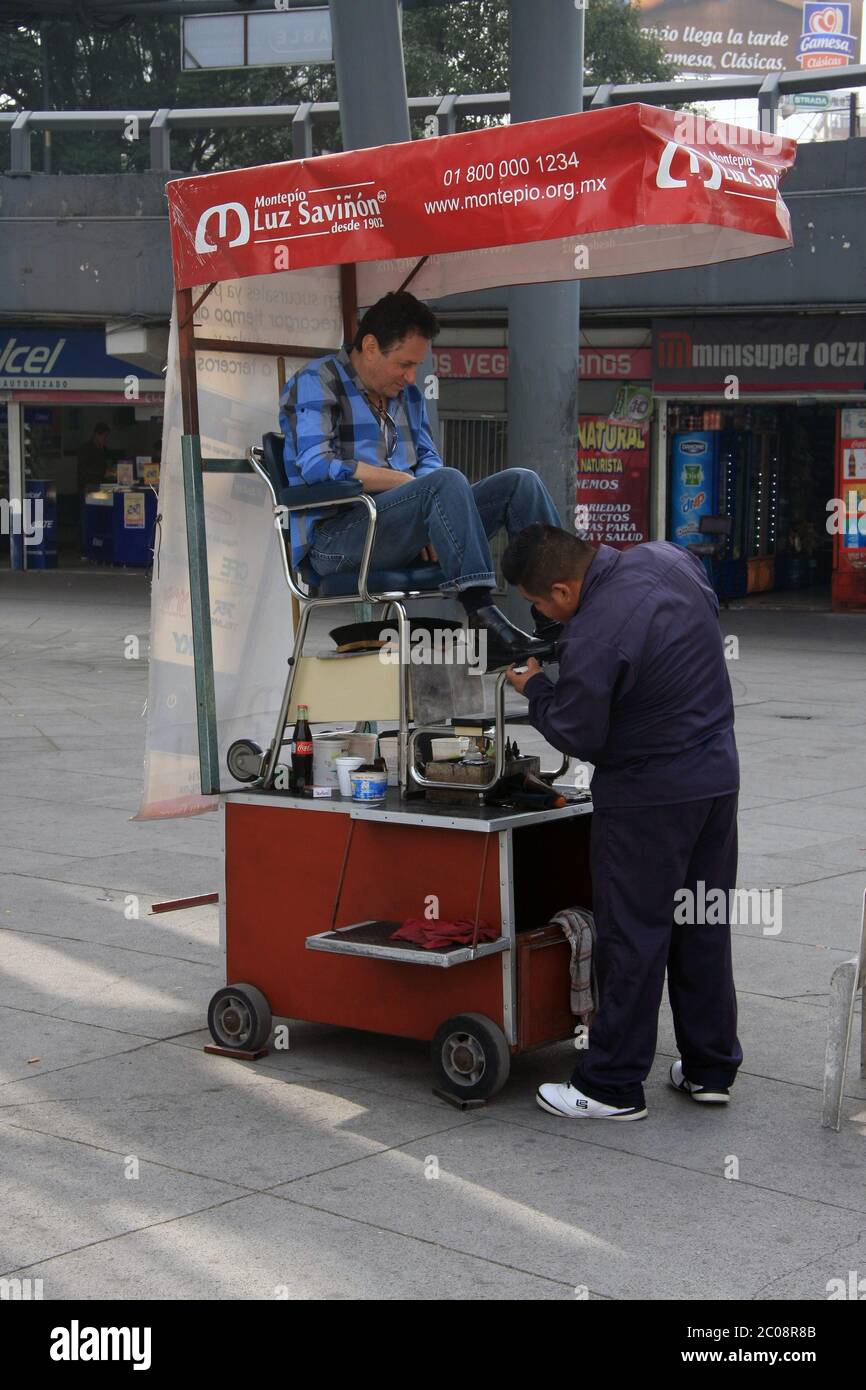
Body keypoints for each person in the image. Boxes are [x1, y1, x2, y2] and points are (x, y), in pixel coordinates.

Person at [502, 524, 741, 1122]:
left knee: (634, 935)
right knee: (701, 923)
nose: (540, 613)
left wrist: (535, 687)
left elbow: (580, 732)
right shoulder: (671, 559)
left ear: (561, 587)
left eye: (539, 603)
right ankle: (710, 1069)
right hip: (715, 780)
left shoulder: (595, 633)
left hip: (647, 798)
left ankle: (611, 1084)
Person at [279, 291, 561, 668]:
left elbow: (428, 459)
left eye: (416, 366)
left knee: (520, 484)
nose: (412, 377)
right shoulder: (318, 381)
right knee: (445, 482)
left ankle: (555, 617)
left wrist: (431, 512)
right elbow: (317, 465)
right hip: (339, 542)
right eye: (404, 364)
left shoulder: (407, 396)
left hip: (403, 528)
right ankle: (482, 616)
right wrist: (407, 486)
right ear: (370, 345)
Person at [77, 423, 112, 496]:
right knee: (90, 506)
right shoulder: (85, 448)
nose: (105, 439)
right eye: (104, 436)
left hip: (100, 485)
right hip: (88, 486)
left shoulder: (104, 449)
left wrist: (110, 471)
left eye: (106, 437)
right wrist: (104, 473)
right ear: (96, 435)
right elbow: (85, 469)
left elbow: (104, 465)